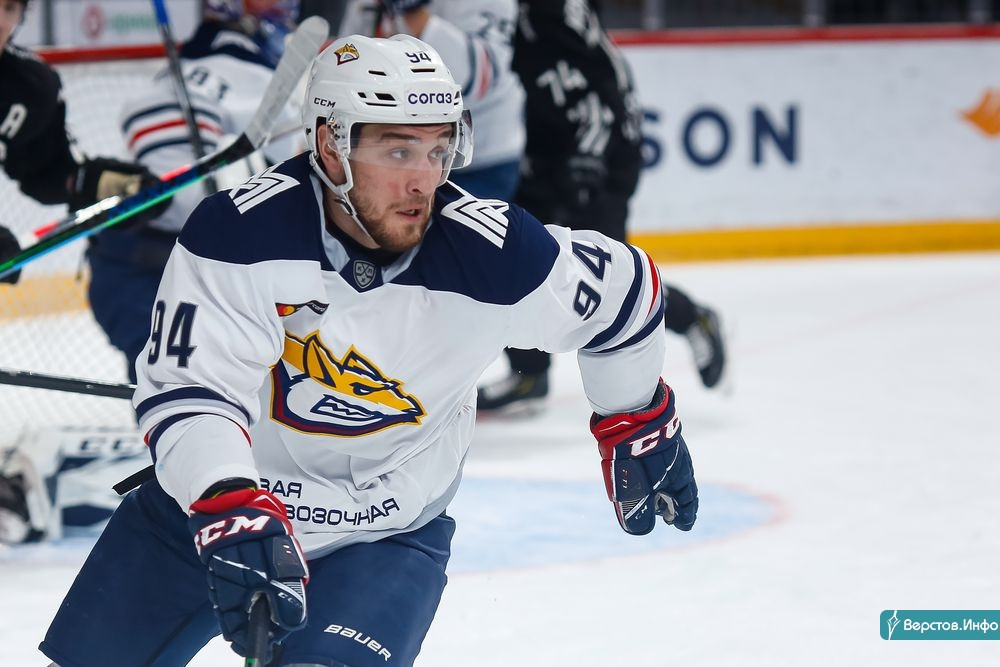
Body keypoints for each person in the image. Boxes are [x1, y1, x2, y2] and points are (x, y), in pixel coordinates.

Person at [40, 34, 698, 666]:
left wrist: (636, 415)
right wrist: (226, 497)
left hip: (382, 534)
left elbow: (626, 293)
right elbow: (192, 392)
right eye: (399, 150)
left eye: (439, 149)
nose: (425, 181)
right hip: (215, 507)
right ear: (331, 147)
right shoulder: (239, 233)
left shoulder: (496, 254)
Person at [476, 0, 728, 414]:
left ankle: (690, 316)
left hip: (597, 157)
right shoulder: (523, 14)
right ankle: (529, 373)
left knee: (610, 279)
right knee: (515, 254)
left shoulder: (552, 10)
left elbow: (602, 78)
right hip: (551, 152)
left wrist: (590, 153)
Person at [87, 0, 302, 383]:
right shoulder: (225, 74)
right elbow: (174, 199)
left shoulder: (222, 71)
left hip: (172, 275)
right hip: (149, 277)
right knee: (175, 397)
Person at [0, 0, 162, 286]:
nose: (1, 21)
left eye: (10, 8)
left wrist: (93, 184)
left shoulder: (29, 87)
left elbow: (44, 173)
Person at [338, 0, 525, 201]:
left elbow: (480, 76)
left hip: (478, 163)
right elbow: (348, 58)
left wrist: (412, 12)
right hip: (394, 150)